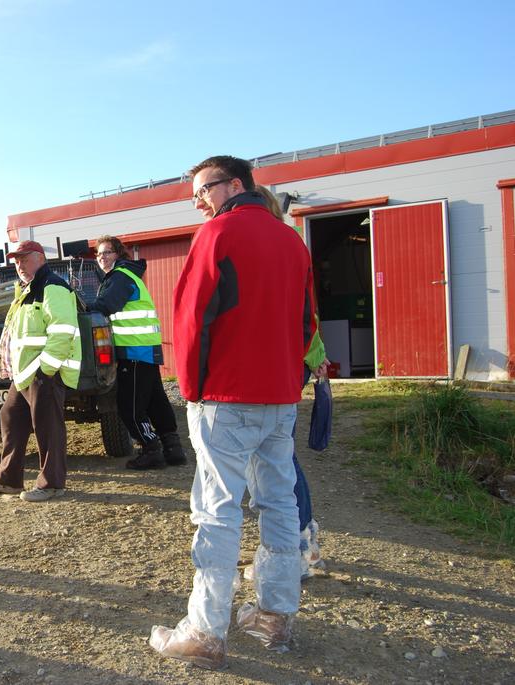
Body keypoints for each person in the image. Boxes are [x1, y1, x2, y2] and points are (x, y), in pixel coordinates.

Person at [149, 157, 318, 669]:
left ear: (235, 184)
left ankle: (204, 630)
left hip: (226, 397)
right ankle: (274, 616)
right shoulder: (292, 241)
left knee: (217, 511)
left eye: (204, 189)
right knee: (280, 504)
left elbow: (193, 315)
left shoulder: (218, 234)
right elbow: (306, 320)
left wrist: (193, 390)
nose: (198, 201)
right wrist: (292, 381)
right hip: (279, 398)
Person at [253, 185, 329, 579]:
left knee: (278, 461)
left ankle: (298, 546)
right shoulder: (289, 245)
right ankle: (305, 541)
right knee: (281, 458)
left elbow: (295, 315)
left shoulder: (273, 248)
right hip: (292, 362)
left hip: (277, 367)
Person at [0, 240, 80, 503]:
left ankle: (52, 484)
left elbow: (63, 330)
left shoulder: (52, 287)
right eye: (16, 260)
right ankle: (9, 480)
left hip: (43, 372)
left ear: (40, 259)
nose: (19, 264)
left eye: (25, 258)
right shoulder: (26, 291)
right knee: (10, 417)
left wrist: (47, 368)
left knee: (48, 427)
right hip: (24, 373)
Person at [88, 235, 187, 469]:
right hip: (146, 349)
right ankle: (173, 450)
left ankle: (151, 449)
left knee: (129, 406)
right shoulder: (128, 275)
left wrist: (79, 306)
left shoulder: (120, 277)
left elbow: (105, 306)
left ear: (118, 254)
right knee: (155, 401)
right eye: (99, 253)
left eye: (107, 252)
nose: (102, 257)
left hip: (133, 351)